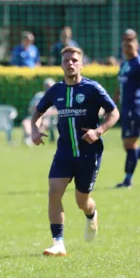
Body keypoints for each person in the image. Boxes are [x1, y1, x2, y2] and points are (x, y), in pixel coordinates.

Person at [30, 47, 119, 257]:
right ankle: (58, 243)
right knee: (54, 192)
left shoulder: (92, 88)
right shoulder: (56, 91)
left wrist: (98, 131)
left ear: (81, 64)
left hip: (89, 154)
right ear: (62, 65)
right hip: (64, 153)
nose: (70, 63)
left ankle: (91, 214)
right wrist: (35, 130)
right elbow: (37, 113)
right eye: (67, 60)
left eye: (74, 60)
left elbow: (114, 112)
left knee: (82, 201)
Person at [113, 29, 140, 188]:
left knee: (131, 145)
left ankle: (127, 180)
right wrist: (111, 105)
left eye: (130, 43)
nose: (127, 47)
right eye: (124, 44)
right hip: (126, 109)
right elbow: (120, 87)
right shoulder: (124, 63)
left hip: (136, 109)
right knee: (129, 146)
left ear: (136, 45)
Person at [22, 78, 57, 146]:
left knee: (44, 123)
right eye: (46, 85)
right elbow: (31, 108)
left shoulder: (56, 96)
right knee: (25, 122)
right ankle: (29, 138)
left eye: (49, 85)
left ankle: (32, 138)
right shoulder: (39, 95)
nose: (47, 87)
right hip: (35, 115)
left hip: (48, 118)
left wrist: (48, 113)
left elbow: (58, 110)